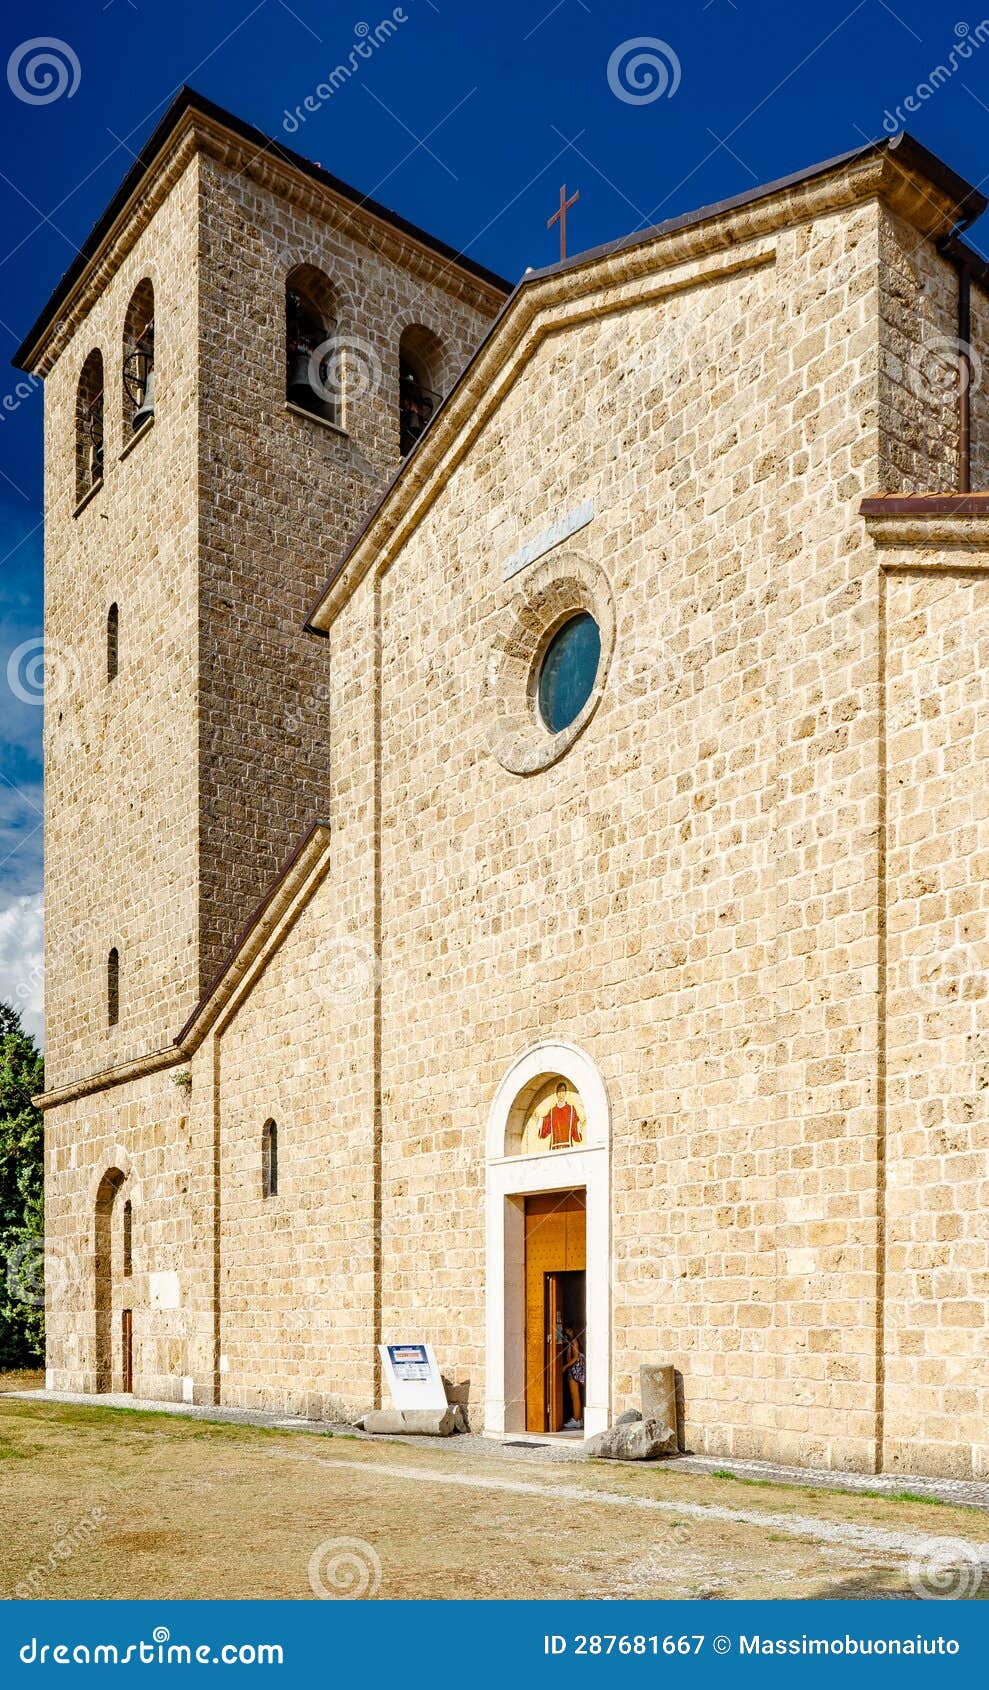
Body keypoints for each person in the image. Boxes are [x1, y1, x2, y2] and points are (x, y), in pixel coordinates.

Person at [538, 1081, 582, 1148]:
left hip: (567, 1146)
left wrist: (579, 1124)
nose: (561, 1094)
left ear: (565, 1093)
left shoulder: (571, 1109)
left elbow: (575, 1125)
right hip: (554, 1146)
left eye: (563, 1091)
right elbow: (546, 1125)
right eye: (559, 1092)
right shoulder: (552, 1111)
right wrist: (539, 1120)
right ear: (556, 1094)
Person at [562, 1325, 585, 1430]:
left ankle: (576, 1419)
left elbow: (575, 1357)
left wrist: (565, 1367)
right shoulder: (572, 1341)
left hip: (574, 1371)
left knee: (575, 1395)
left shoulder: (574, 1341)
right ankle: (578, 1419)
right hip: (573, 1370)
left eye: (569, 1330)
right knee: (574, 1395)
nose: (567, 1332)